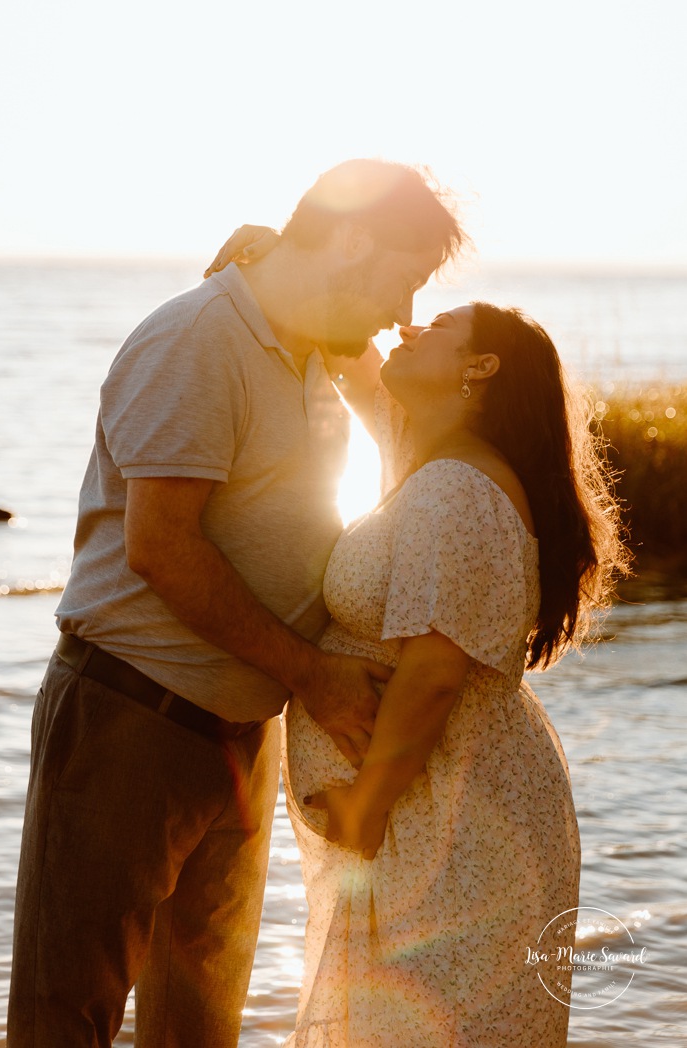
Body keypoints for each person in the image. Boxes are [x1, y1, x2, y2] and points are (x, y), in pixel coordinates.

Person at [7, 160, 466, 1047]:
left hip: (242, 734)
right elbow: (162, 549)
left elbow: (408, 442)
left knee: (200, 1030)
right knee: (67, 1017)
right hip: (130, 720)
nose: (401, 312)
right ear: (351, 238)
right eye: (401, 280)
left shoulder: (312, 349)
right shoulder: (197, 340)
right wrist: (316, 678)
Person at [207, 229, 629, 1046]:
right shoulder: (430, 458)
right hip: (442, 814)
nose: (407, 327)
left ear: (480, 369)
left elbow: (433, 672)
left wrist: (365, 804)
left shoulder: (454, 489)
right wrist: (279, 262)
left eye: (437, 328)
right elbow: (354, 355)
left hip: (455, 824)